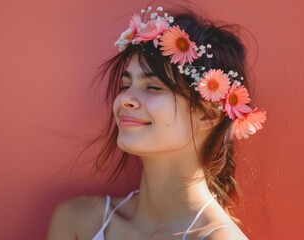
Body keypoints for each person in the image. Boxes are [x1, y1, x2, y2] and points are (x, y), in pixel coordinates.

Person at [47, 3, 266, 240]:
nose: (124, 100)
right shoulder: (78, 220)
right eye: (125, 85)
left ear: (208, 114)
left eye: (152, 87)